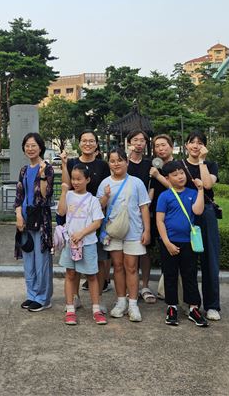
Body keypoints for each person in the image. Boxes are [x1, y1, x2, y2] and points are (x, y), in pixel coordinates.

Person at [97, 147, 150, 322]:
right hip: (113, 231)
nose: (116, 164)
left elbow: (144, 207)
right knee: (118, 266)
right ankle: (121, 301)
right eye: (112, 161)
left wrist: (147, 230)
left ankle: (133, 304)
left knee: (132, 267)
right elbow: (99, 207)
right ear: (109, 164)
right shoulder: (105, 183)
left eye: (120, 160)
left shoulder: (136, 183)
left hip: (134, 231)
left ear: (126, 162)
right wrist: (105, 196)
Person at [156, 160, 208, 328]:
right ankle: (172, 307)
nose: (180, 177)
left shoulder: (192, 192)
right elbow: (160, 220)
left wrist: (201, 190)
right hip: (169, 242)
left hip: (188, 242)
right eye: (175, 174)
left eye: (181, 173)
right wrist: (167, 242)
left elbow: (198, 210)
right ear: (167, 178)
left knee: (190, 275)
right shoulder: (164, 196)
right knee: (170, 275)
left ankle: (193, 308)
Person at [61, 130, 111, 300]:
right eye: (84, 140)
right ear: (79, 143)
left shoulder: (102, 165)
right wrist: (64, 164)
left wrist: (103, 203)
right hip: (76, 219)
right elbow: (66, 186)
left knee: (98, 259)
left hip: (96, 217)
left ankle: (98, 299)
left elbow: (106, 190)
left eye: (91, 141)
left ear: (96, 144)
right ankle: (74, 298)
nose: (87, 144)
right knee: (73, 264)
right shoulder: (72, 163)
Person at [57, 165, 106, 325]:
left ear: (87, 180)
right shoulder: (69, 195)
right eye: (73, 179)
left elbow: (97, 222)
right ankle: (70, 308)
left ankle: (96, 309)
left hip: (88, 243)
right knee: (70, 274)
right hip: (71, 243)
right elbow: (61, 212)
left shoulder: (93, 200)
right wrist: (63, 192)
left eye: (79, 179)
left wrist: (81, 234)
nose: (75, 182)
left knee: (91, 275)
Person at [181, 130, 222, 321]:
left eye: (200, 142)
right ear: (186, 145)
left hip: (206, 213)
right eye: (192, 142)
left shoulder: (210, 165)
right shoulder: (180, 166)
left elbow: (207, 185)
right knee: (187, 261)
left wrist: (202, 162)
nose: (196, 146)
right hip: (185, 213)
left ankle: (212, 305)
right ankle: (192, 303)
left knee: (209, 260)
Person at [15, 132, 54, 312]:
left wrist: (43, 175)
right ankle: (31, 295)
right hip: (24, 220)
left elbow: (46, 196)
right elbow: (19, 195)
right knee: (28, 259)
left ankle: (43, 298)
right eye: (27, 146)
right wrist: (18, 215)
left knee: (41, 260)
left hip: (41, 220)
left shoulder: (47, 168)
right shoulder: (24, 170)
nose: (30, 149)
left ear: (40, 148)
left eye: (34, 145)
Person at [126, 129, 157, 305]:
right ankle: (130, 288)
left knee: (145, 250)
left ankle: (144, 286)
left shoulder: (149, 164)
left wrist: (145, 204)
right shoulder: (123, 162)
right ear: (129, 142)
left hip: (144, 210)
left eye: (142, 140)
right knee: (127, 252)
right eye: (135, 140)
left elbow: (151, 187)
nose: (139, 143)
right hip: (126, 212)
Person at [147, 133, 174, 299]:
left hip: (172, 214)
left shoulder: (177, 166)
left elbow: (175, 186)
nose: (160, 149)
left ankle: (168, 289)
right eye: (157, 146)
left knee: (170, 248)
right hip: (155, 213)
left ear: (171, 146)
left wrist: (158, 176)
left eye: (163, 145)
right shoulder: (154, 166)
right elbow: (152, 189)